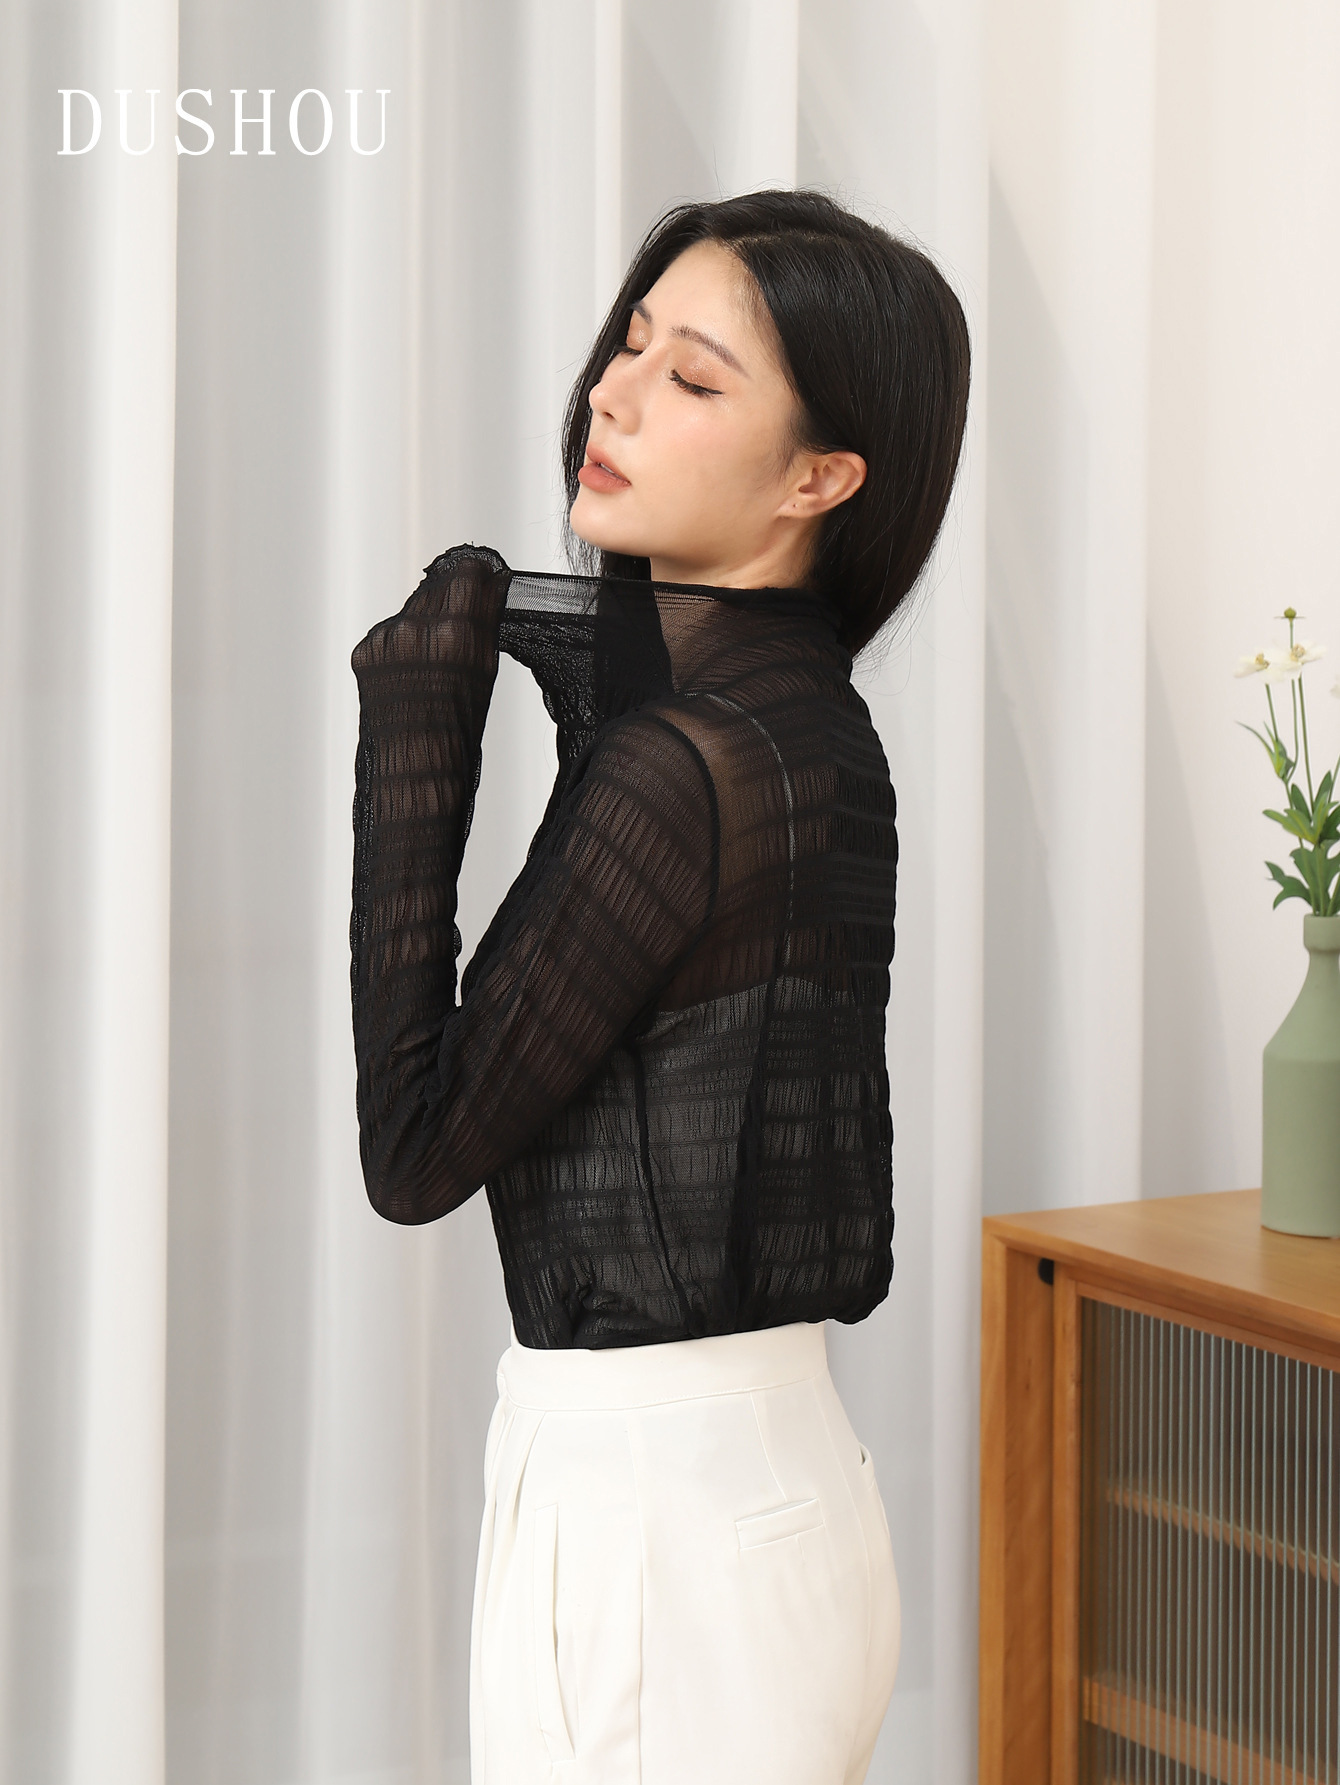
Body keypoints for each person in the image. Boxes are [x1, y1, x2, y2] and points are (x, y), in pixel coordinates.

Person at [348, 189, 970, 1784]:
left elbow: (415, 1150)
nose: (611, 396)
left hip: (652, 1532)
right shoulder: (803, 718)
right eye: (628, 347)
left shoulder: (680, 767)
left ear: (822, 477)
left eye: (693, 378)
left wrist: (416, 727)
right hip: (772, 1498)